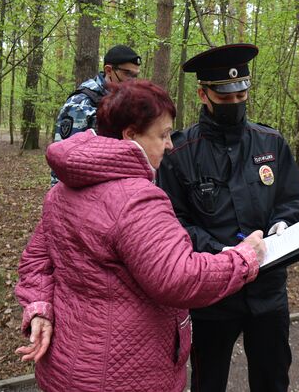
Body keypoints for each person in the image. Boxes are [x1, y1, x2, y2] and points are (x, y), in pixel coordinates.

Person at [15, 80, 266, 392]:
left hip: (65, 367)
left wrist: (39, 308)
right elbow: (179, 279)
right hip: (127, 372)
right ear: (130, 135)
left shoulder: (62, 191)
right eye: (162, 135)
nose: (170, 144)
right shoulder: (138, 199)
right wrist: (244, 258)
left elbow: (36, 262)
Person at [158, 43, 299, 392]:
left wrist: (282, 224)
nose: (236, 104)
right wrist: (224, 252)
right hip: (213, 294)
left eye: (241, 95)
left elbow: (292, 198)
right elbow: (173, 222)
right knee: (209, 381)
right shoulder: (179, 154)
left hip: (268, 290)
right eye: (226, 98)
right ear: (203, 94)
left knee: (272, 378)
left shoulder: (270, 142)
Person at [51, 44, 141, 185]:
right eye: (127, 74)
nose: (133, 81)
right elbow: (64, 158)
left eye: (135, 76)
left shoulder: (125, 101)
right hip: (80, 191)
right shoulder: (81, 103)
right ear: (109, 70)